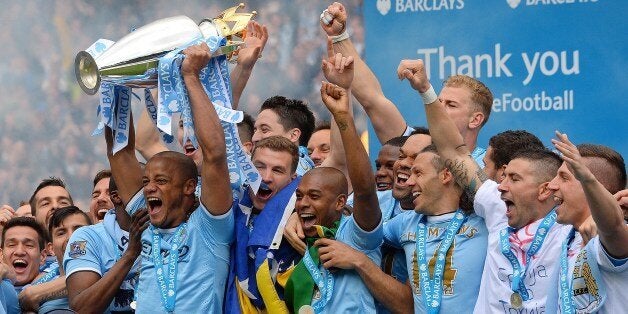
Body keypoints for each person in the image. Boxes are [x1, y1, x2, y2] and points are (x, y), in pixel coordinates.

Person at [398, 58, 569, 312]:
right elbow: (453, 152)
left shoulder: (568, 232)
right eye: (505, 176)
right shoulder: (497, 207)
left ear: (545, 189)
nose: (500, 185)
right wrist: (425, 91)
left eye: (515, 179)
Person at [109, 42, 234, 313]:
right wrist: (113, 84)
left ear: (190, 187)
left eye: (161, 181)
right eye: (146, 182)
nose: (149, 187)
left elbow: (214, 154)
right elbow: (121, 154)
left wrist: (191, 78)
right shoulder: (144, 221)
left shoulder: (210, 228)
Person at [319, 145, 489, 313]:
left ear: (445, 175)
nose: (409, 181)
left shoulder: (485, 220)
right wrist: (295, 217)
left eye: (418, 173)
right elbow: (364, 230)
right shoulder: (404, 222)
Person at [320, 2, 490, 166]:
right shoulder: (414, 149)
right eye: (439, 102)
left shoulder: (486, 166)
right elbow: (372, 100)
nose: (439, 108)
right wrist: (339, 35)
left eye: (451, 105)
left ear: (475, 120)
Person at [283, 78, 383, 313]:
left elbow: (365, 189)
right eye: (299, 196)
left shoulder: (357, 235)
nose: (303, 203)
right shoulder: (301, 251)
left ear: (340, 202)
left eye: (314, 196)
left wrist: (342, 117)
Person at [547, 135, 628, 313]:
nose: (552, 185)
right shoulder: (567, 237)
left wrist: (587, 178)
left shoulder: (609, 237)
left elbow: (613, 227)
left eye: (564, 177)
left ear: (594, 188)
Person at [29, 206, 92, 313]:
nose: (71, 238)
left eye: (80, 230)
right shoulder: (31, 292)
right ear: (51, 249)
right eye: (61, 233)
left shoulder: (115, 271)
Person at [252, 95, 316, 175]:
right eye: (255, 130)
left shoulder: (299, 175)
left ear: (293, 135)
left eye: (265, 130)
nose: (254, 138)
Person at [0, 217, 47, 293]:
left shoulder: (56, 279)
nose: (20, 251)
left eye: (29, 245)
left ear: (42, 256)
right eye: (11, 245)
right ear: (1, 255)